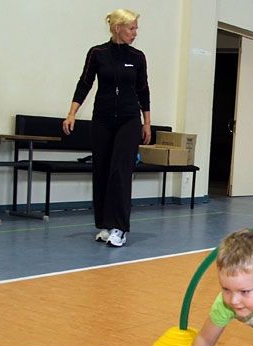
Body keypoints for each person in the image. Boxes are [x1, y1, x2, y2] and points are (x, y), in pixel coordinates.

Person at [62, 9, 151, 248]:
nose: (135, 33)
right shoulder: (97, 53)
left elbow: (143, 90)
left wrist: (147, 122)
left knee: (121, 173)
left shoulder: (138, 56)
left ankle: (120, 228)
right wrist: (72, 114)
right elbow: (85, 83)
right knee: (101, 170)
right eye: (132, 28)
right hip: (102, 120)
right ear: (117, 28)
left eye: (136, 28)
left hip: (129, 120)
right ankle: (105, 224)